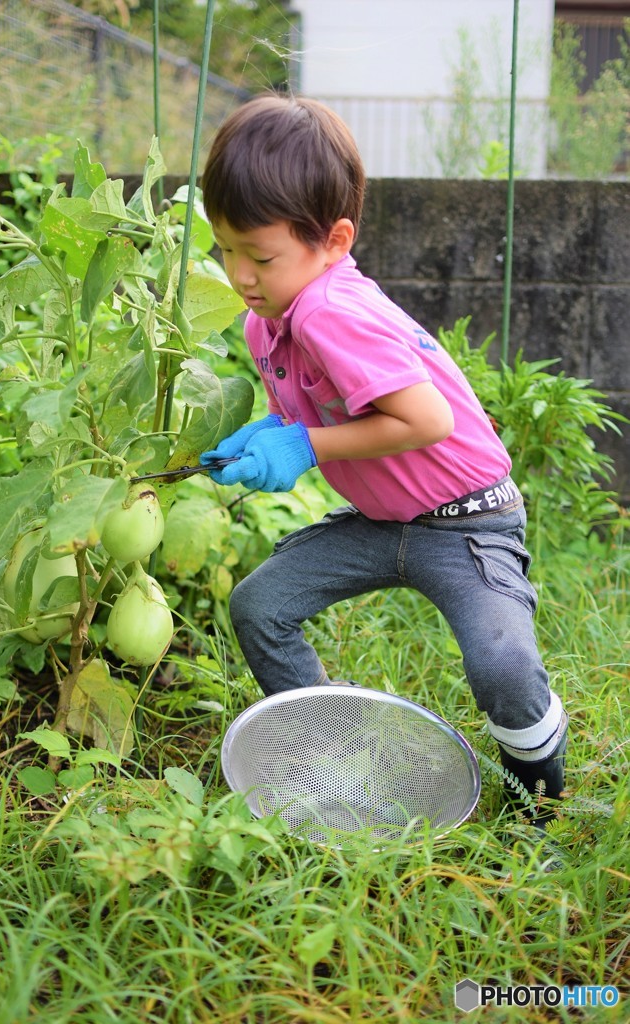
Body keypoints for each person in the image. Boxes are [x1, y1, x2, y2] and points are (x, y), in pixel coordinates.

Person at [199, 94, 567, 825]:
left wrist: (303, 446)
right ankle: (330, 757)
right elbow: (303, 406)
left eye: (260, 255)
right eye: (224, 249)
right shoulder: (266, 320)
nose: (240, 274)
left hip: (468, 524)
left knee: (503, 665)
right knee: (261, 607)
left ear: (334, 241)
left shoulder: (336, 308)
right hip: (379, 520)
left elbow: (424, 419)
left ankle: (542, 804)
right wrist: (265, 433)